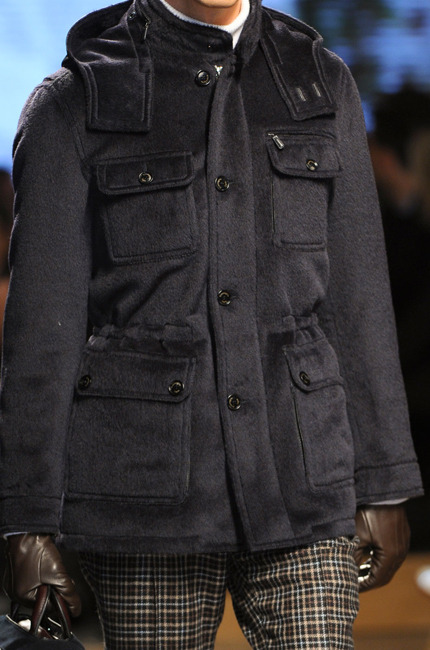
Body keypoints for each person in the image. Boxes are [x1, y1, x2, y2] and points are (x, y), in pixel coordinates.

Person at [0, 0, 423, 648]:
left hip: (304, 478)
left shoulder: (318, 81)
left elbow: (358, 299)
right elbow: (41, 337)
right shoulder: (75, 100)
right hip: (148, 497)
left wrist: (386, 482)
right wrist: (25, 521)